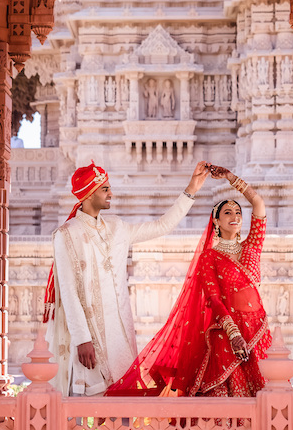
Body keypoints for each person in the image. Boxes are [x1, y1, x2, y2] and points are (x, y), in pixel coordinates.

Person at [43, 160, 209, 395]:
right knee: (88, 405)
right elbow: (69, 291)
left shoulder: (117, 227)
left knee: (123, 403)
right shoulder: (66, 235)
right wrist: (82, 339)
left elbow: (162, 225)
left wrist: (191, 189)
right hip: (91, 337)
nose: (111, 193)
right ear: (89, 194)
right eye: (105, 189)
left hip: (120, 333)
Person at [107, 168, 271, 397]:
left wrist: (230, 178)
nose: (235, 217)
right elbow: (213, 299)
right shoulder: (210, 257)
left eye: (238, 212)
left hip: (258, 331)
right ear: (216, 221)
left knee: (267, 393)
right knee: (230, 400)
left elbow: (258, 202)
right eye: (227, 213)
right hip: (226, 334)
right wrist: (233, 334)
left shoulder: (252, 246)